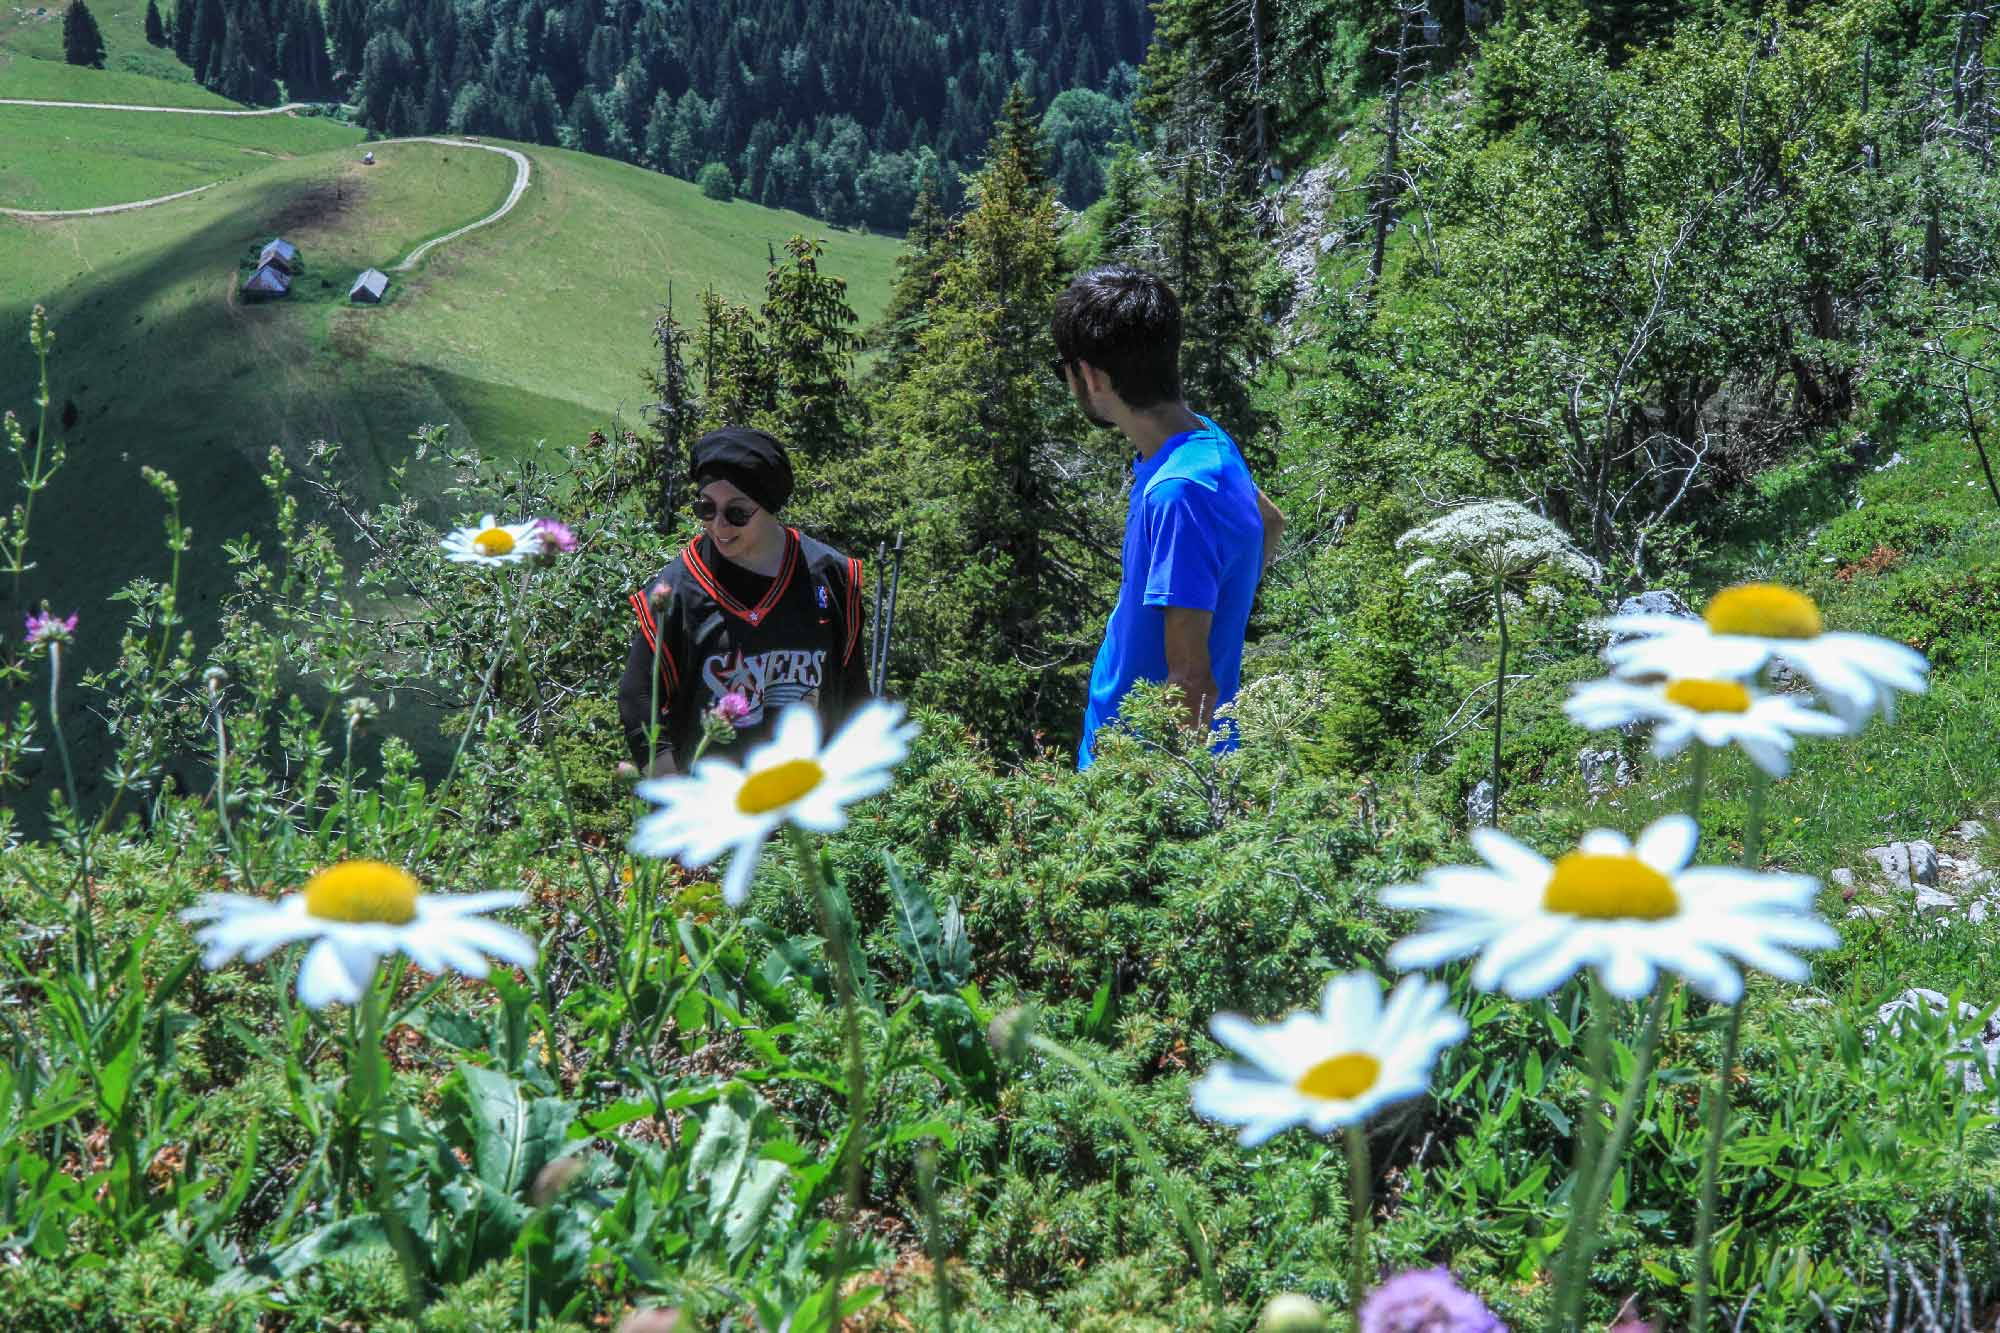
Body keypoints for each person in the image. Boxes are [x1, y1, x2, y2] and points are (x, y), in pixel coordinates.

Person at [1053, 265, 1285, 768]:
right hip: (1131, 751)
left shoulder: (1179, 494)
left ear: (1091, 376)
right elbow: (1270, 521)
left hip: (1134, 770)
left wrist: (1161, 806)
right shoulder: (1207, 440)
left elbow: (1191, 681)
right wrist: (1224, 605)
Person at [617, 426, 869, 776]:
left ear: (769, 506)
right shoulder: (678, 588)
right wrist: (672, 797)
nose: (719, 525)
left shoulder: (830, 576)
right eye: (706, 508)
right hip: (716, 808)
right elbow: (638, 697)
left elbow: (854, 688)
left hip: (808, 801)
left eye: (737, 513)